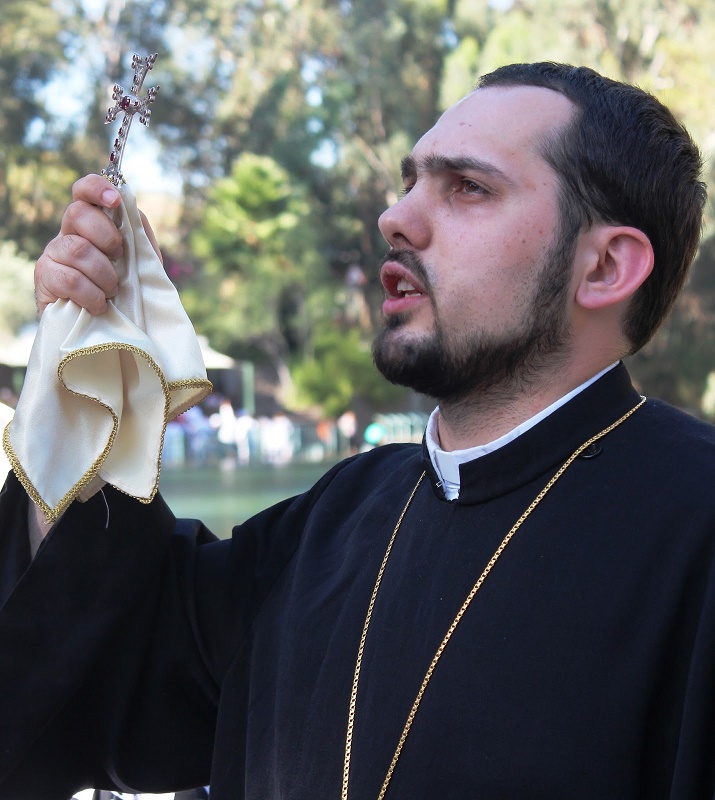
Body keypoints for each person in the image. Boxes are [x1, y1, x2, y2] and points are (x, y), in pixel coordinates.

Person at [0, 61, 713, 799]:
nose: (395, 217)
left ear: (603, 267)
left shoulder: (697, 526)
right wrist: (87, 360)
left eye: (467, 188)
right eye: (409, 182)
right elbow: (104, 672)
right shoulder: (334, 517)